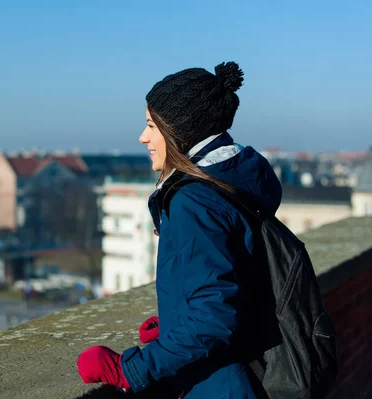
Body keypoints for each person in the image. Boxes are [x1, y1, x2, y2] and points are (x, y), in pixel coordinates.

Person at [77, 62, 282, 398]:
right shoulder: (236, 177)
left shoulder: (194, 200)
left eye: (150, 126)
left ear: (179, 131)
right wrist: (174, 325)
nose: (143, 137)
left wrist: (127, 369)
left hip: (217, 384)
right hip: (249, 368)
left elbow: (213, 318)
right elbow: (233, 278)